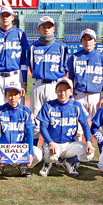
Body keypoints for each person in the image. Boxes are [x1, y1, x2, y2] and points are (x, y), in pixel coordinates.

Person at [35, 77, 94, 177]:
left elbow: (85, 125)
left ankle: (68, 162)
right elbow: (43, 127)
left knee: (89, 154)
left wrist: (89, 142)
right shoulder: (48, 106)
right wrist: (50, 142)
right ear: (56, 91)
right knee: (51, 156)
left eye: (66, 91)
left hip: (69, 144)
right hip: (53, 143)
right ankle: (47, 164)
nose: (63, 93)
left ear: (71, 92)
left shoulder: (76, 106)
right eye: (60, 90)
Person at [0, 81, 42, 178]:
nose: (13, 97)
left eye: (15, 94)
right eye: (10, 94)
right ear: (5, 95)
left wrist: (30, 153)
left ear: (20, 95)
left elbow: (29, 134)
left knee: (38, 154)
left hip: (20, 149)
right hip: (4, 149)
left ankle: (22, 166)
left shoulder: (26, 112)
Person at [28, 15, 68, 143]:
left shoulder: (61, 47)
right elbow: (30, 66)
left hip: (54, 86)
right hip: (37, 85)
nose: (46, 29)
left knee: (53, 119)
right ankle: (33, 151)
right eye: (44, 27)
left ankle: (50, 151)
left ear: (54, 29)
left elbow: (65, 69)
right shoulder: (33, 47)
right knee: (34, 119)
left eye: (49, 27)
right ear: (39, 28)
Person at [0, 6, 30, 110]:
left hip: (15, 76)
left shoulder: (20, 34)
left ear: (12, 17)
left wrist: (25, 83)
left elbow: (23, 61)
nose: (5, 18)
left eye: (8, 15)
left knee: (17, 110)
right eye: (2, 15)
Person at [66, 28, 103, 120]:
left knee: (98, 125)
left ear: (95, 41)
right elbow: (70, 78)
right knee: (77, 125)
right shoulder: (74, 58)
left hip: (96, 96)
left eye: (90, 39)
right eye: (85, 39)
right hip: (79, 95)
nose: (87, 42)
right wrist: (70, 95)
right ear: (81, 41)